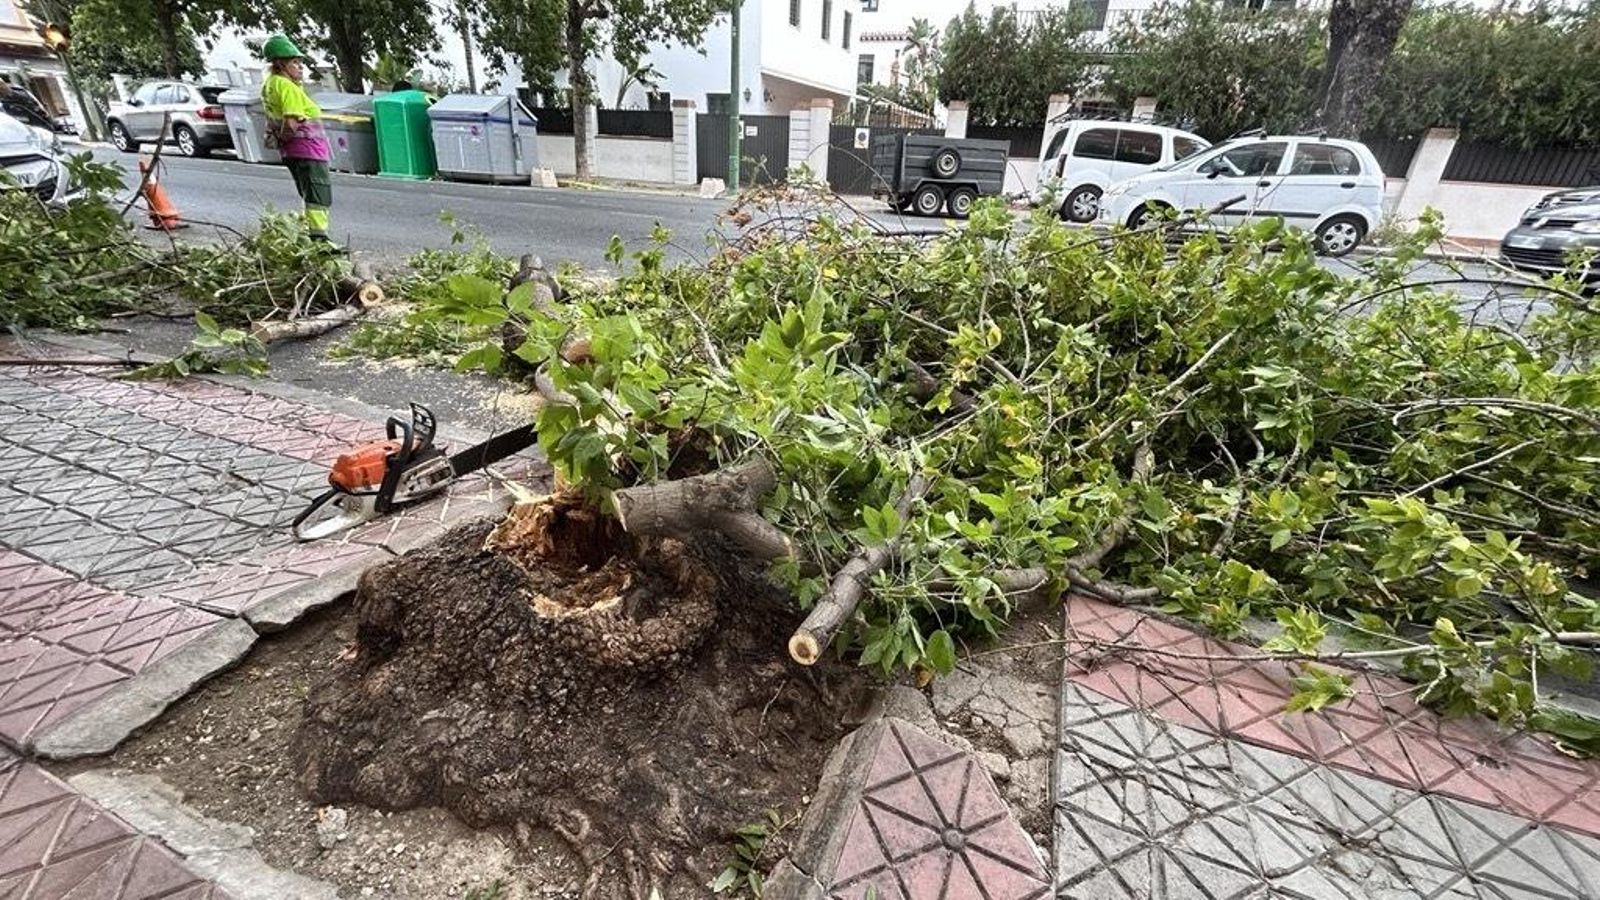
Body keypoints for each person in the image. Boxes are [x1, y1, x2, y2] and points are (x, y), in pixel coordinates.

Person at [260, 35, 335, 243]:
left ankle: (309, 234)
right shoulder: (286, 86)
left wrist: (283, 142)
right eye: (294, 62)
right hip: (307, 149)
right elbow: (291, 121)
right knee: (318, 194)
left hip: (293, 151)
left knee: (308, 192)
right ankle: (320, 240)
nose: (300, 67)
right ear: (280, 64)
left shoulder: (269, 85)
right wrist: (287, 138)